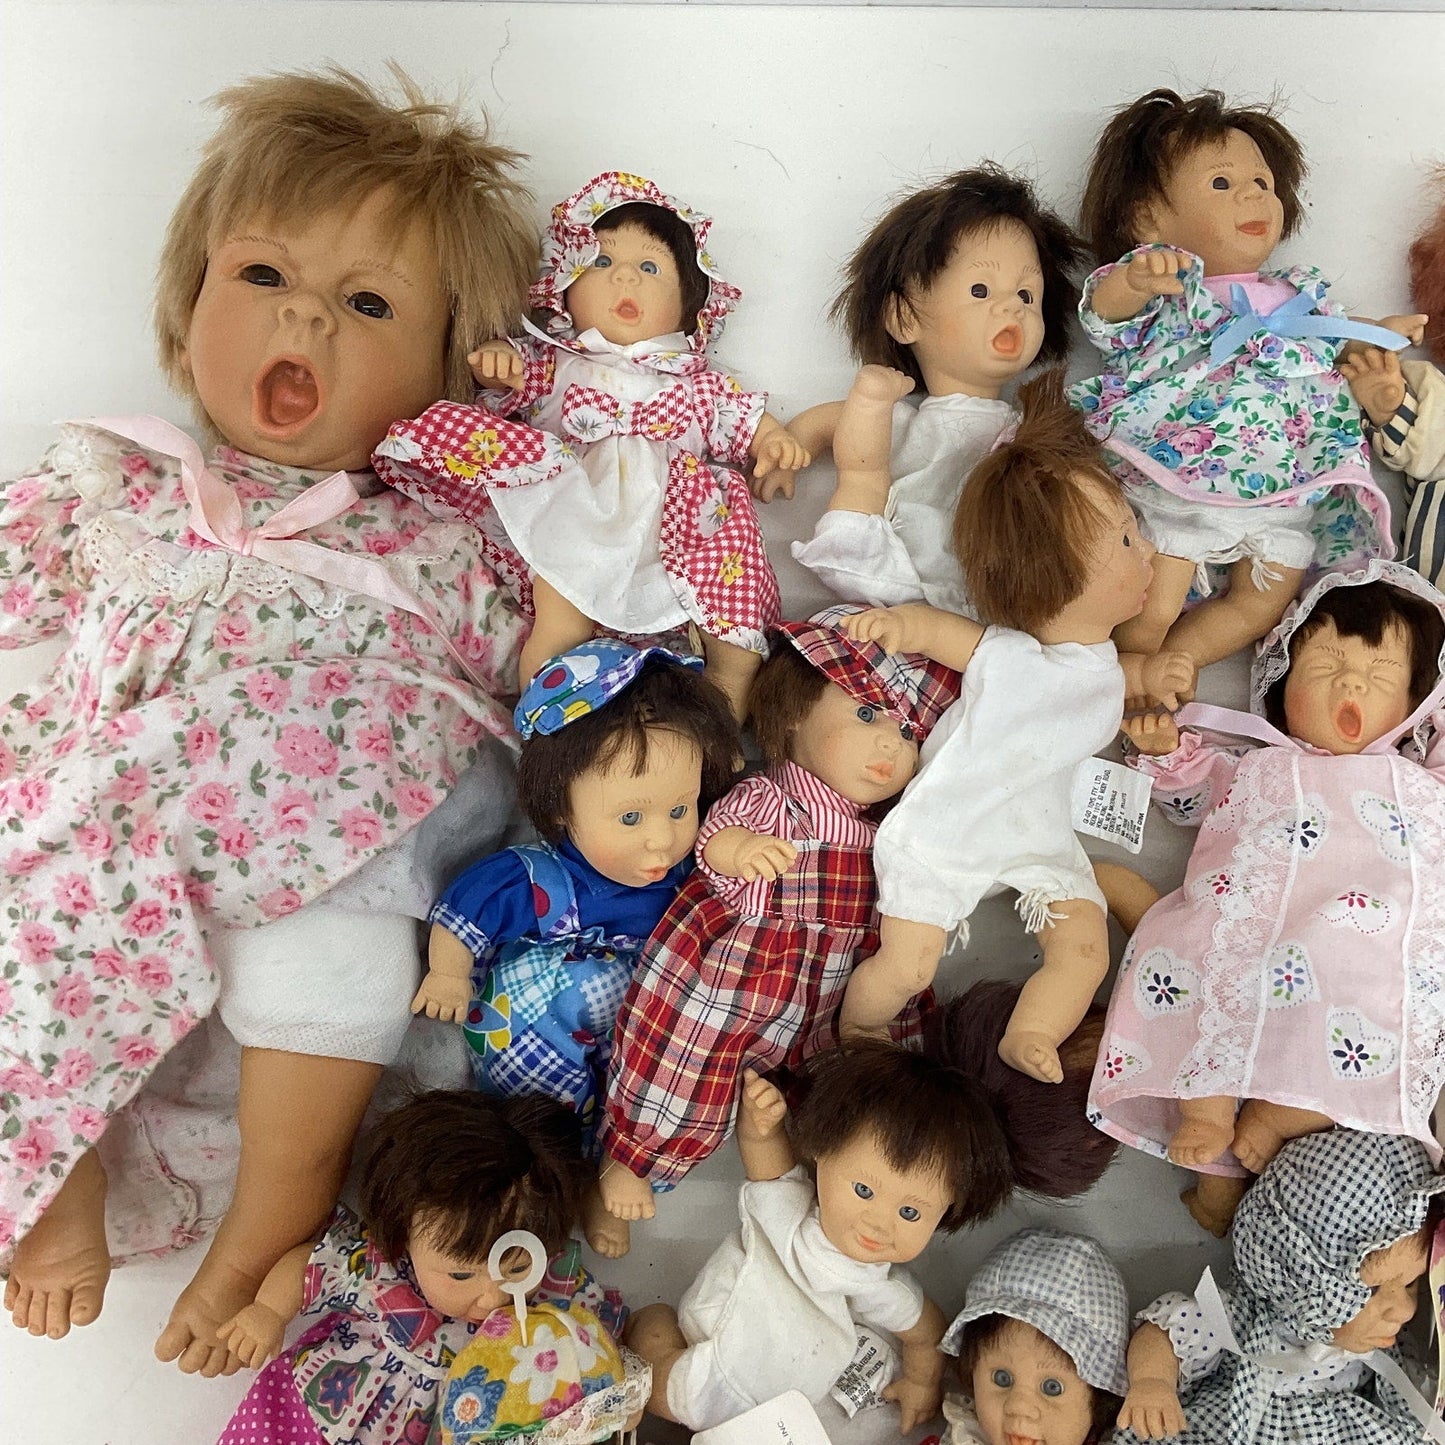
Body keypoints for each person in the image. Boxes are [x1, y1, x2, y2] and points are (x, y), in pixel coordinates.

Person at [0, 66, 537, 1370]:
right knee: (23, 911)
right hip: (106, 837)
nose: (305, 312)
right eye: (262, 275)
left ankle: (261, 1236)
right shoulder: (110, 483)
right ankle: (51, 1168)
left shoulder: (444, 535)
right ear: (187, 306)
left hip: (327, 846)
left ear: (445, 376)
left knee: (339, 971)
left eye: (368, 302)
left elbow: (547, 666)